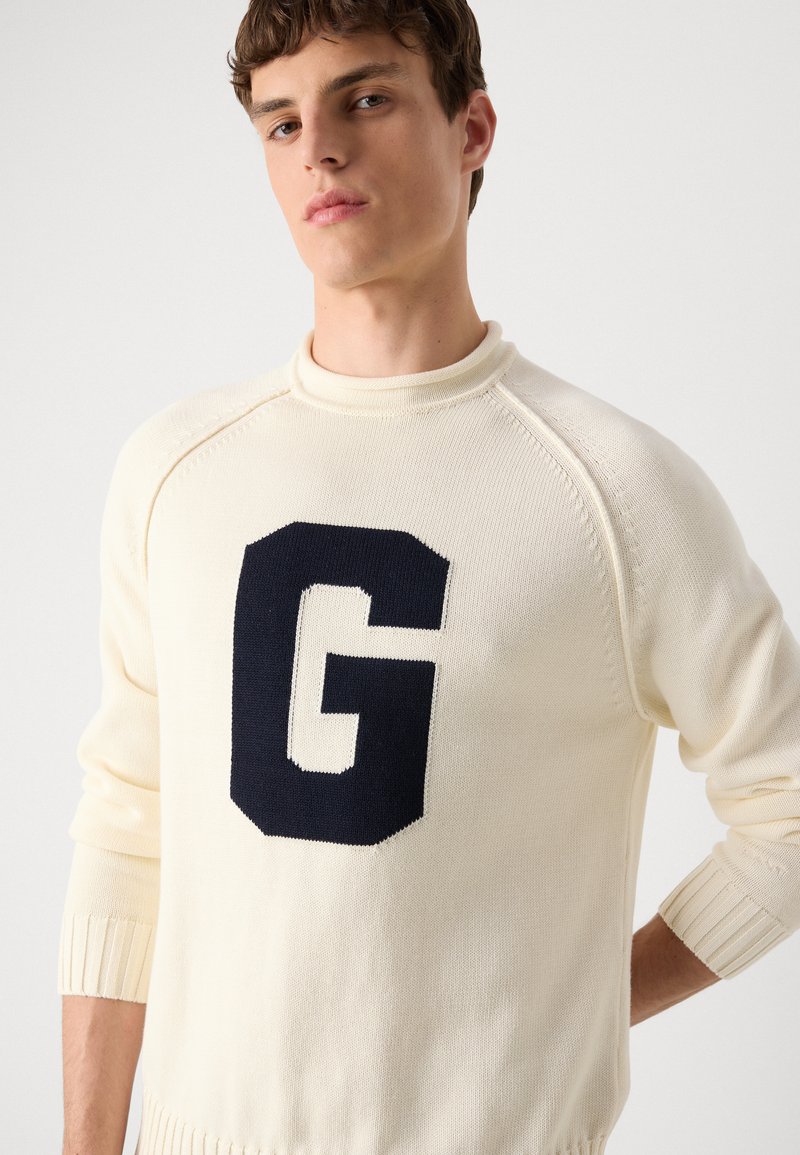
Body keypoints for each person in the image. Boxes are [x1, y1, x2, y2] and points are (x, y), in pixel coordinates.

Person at [59, 2, 800, 1153]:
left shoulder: (615, 493)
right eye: (280, 123)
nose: (319, 150)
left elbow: (787, 807)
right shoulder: (175, 472)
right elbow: (126, 824)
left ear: (471, 128)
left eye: (364, 99)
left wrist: (583, 1010)